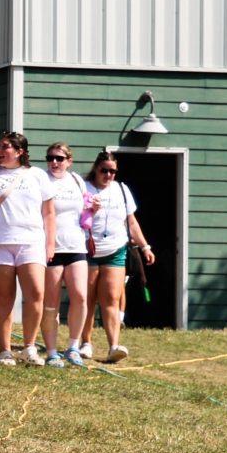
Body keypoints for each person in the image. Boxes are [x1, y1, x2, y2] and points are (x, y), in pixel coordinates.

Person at [0, 130, 55, 365]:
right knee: (5, 296)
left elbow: (49, 212)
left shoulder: (37, 175)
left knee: (36, 293)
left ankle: (29, 347)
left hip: (30, 241)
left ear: (19, 152)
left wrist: (50, 243)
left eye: (5, 146)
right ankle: (5, 350)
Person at [83, 149, 153, 362]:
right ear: (96, 169)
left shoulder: (122, 190)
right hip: (89, 250)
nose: (108, 175)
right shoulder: (83, 187)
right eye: (104, 170)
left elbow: (131, 221)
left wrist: (145, 246)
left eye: (112, 171)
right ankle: (85, 343)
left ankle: (113, 345)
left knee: (111, 298)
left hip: (115, 249)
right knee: (88, 299)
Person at [37, 142, 95, 366]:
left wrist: (93, 209)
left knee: (80, 296)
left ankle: (73, 347)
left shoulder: (76, 180)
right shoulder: (42, 179)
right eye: (50, 158)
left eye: (59, 158)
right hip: (51, 246)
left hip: (76, 245)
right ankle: (51, 351)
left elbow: (83, 211)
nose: (54, 162)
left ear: (69, 161)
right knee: (51, 302)